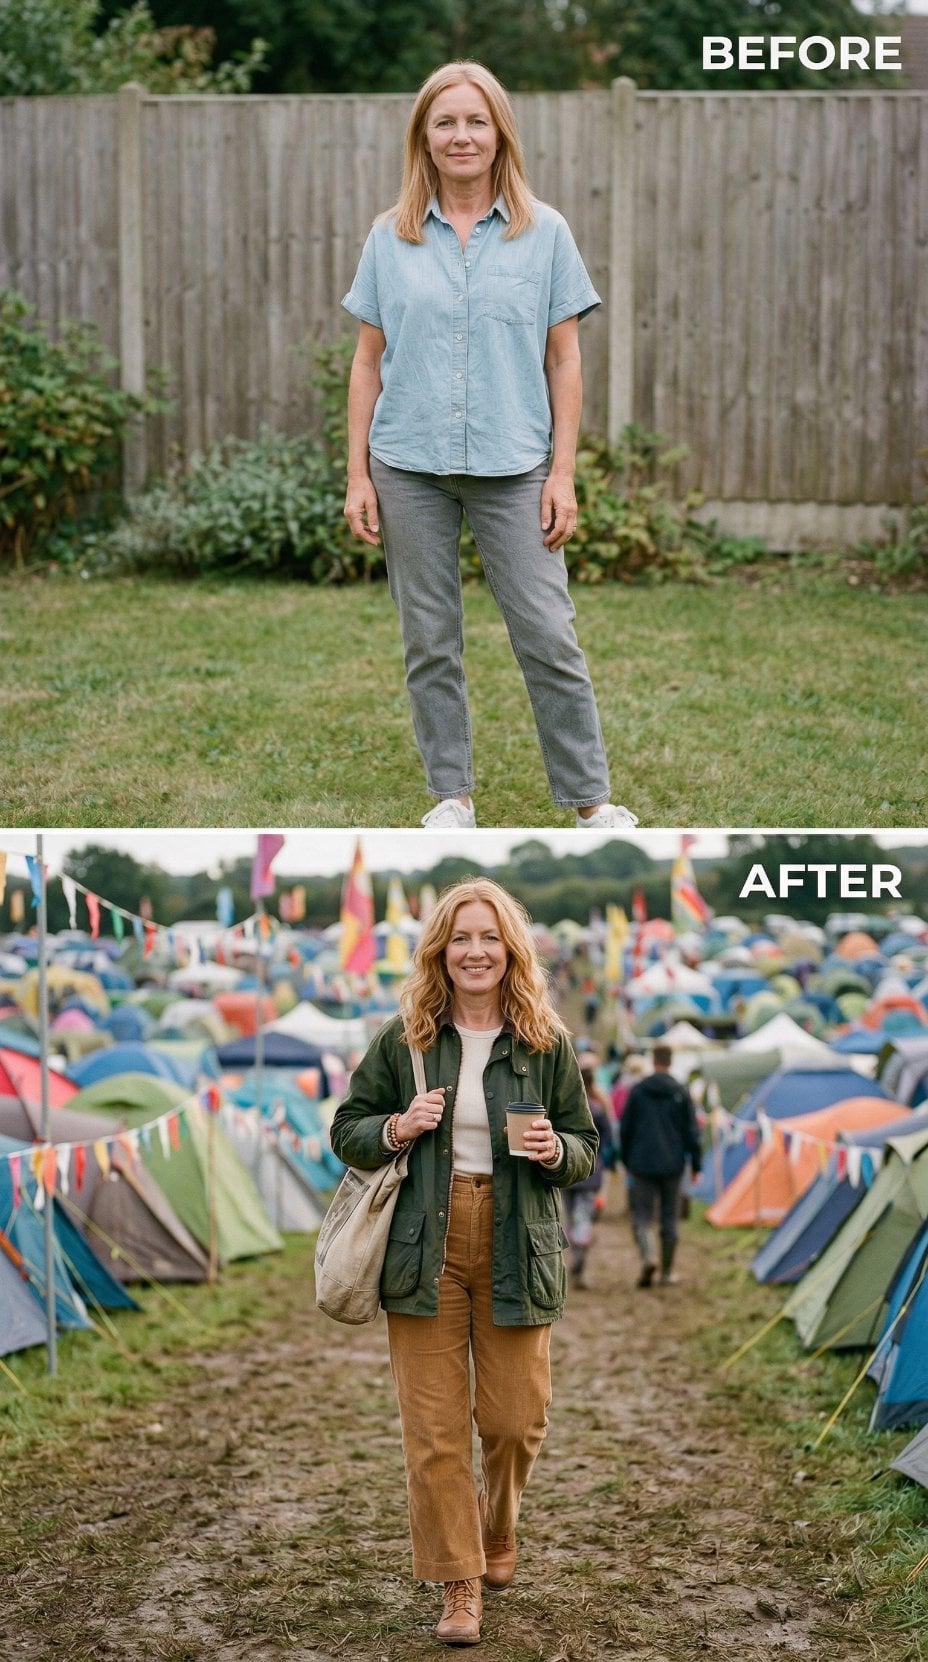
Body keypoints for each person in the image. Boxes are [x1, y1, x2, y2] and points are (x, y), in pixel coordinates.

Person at [341, 60, 638, 832]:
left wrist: (562, 473)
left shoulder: (546, 232)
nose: (461, 135)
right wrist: (357, 476)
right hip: (407, 465)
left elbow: (564, 357)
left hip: (516, 466)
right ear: (425, 139)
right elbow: (368, 360)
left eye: (476, 120)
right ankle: (452, 797)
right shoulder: (389, 236)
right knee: (429, 638)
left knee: (547, 633)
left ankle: (591, 802)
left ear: (498, 131)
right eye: (446, 122)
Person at [329, 877, 597, 1645]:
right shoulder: (404, 1036)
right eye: (460, 938)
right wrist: (397, 1126)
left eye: (489, 937)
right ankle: (460, 1583)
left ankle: (499, 1524)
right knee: (436, 1432)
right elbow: (347, 1127)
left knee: (515, 1421)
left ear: (510, 949)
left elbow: (585, 1148)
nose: (475, 951)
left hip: (518, 1240)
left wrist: (557, 1150)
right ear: (440, 951)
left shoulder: (546, 1040)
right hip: (423, 1246)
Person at [618, 1043, 701, 1288]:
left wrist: (627, 1159)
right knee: (669, 1217)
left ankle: (648, 1257)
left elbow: (625, 1128)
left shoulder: (638, 1091)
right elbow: (691, 1131)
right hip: (673, 1164)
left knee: (642, 1215)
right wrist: (696, 1164)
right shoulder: (681, 1092)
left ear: (653, 1061)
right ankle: (666, 1272)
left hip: (641, 1163)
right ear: (670, 1061)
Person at [563, 1060, 615, 1289]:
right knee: (583, 1215)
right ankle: (580, 1258)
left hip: (566, 1170)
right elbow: (609, 1141)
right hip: (592, 1171)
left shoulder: (566, 1107)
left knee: (571, 1215)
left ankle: (576, 1258)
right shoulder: (598, 1109)